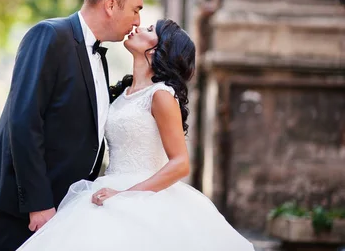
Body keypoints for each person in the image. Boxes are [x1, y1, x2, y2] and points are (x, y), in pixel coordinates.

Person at [17, 19, 254, 250]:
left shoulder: (161, 95)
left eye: (150, 29)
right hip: (106, 186)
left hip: (142, 196)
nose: (138, 27)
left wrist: (125, 195)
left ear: (158, 50)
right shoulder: (122, 94)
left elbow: (181, 164)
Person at [0, 0, 144, 251]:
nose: (137, 21)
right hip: (25, 207)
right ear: (111, 5)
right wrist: (38, 204)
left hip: (65, 207)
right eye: (135, 10)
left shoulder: (97, 54)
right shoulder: (49, 35)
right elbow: (23, 121)